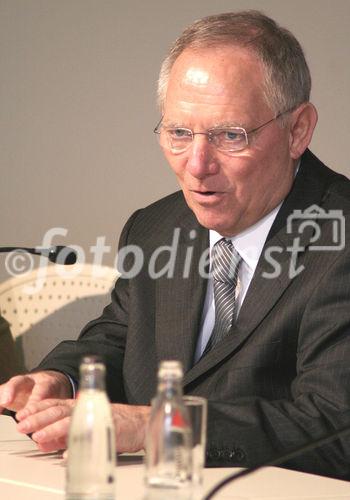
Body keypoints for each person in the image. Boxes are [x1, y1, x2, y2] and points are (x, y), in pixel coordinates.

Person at [1, 10, 349, 479]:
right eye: (179, 133)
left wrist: (156, 427)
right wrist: (59, 380)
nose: (197, 165)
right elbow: (121, 338)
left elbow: (334, 427)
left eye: (230, 135)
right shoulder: (155, 227)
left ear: (298, 131)